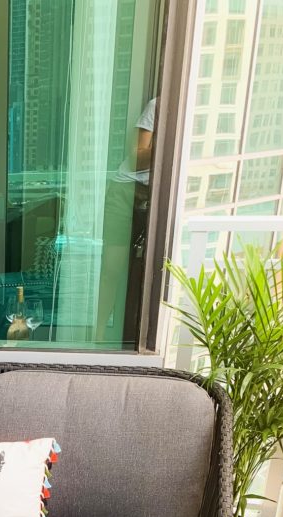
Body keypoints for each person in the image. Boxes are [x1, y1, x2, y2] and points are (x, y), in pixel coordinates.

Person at [95, 98, 157, 341]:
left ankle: (133, 336)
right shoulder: (158, 106)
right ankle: (97, 336)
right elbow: (136, 158)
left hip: (159, 194)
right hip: (125, 190)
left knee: (146, 271)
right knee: (112, 267)